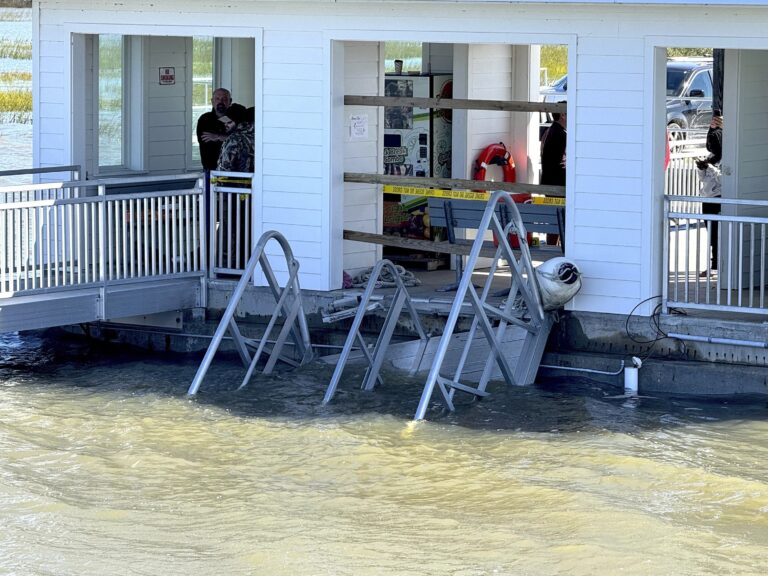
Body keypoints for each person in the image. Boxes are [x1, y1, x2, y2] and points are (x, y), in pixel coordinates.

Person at [696, 111, 723, 275]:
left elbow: (722, 179)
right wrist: (701, 169)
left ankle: (718, 265)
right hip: (707, 197)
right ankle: (714, 265)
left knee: (719, 232)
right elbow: (703, 179)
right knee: (711, 232)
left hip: (718, 197)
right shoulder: (711, 156)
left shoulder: (726, 157)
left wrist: (711, 168)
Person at [540, 105, 566, 245]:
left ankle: (552, 249)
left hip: (548, 182)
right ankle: (556, 251)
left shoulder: (549, 131)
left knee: (554, 221)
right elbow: (561, 162)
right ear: (563, 114)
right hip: (558, 184)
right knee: (560, 221)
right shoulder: (561, 135)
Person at [196, 88, 233, 171]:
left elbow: (242, 140)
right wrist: (228, 137)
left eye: (224, 99)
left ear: (230, 101)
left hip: (234, 169)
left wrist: (218, 136)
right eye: (217, 99)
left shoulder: (237, 118)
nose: (221, 102)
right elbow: (206, 141)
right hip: (212, 169)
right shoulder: (205, 120)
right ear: (212, 101)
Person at [217, 103, 254, 173]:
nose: (225, 124)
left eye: (229, 122)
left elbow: (224, 169)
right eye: (224, 122)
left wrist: (217, 181)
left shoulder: (233, 140)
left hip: (233, 182)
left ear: (238, 122)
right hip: (255, 182)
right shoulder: (257, 136)